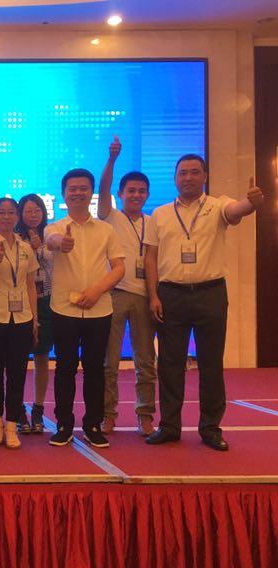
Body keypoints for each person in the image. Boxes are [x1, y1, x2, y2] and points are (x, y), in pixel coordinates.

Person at [144, 155, 266, 451]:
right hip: (170, 294)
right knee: (170, 364)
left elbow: (238, 210)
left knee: (211, 363)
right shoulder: (160, 213)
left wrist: (251, 203)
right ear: (175, 178)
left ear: (205, 176)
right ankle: (169, 426)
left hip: (210, 293)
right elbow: (151, 258)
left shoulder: (217, 205)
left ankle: (210, 428)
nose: (188, 178)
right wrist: (154, 295)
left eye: (194, 172)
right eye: (183, 173)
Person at [44, 168, 125, 448]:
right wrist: (62, 243)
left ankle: (92, 424)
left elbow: (119, 267)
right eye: (72, 189)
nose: (78, 192)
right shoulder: (54, 227)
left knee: (95, 369)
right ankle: (64, 424)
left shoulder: (106, 230)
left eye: (83, 188)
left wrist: (97, 291)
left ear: (91, 193)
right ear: (63, 194)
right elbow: (52, 242)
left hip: (99, 309)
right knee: (64, 368)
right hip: (64, 310)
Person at [97, 136, 156, 436]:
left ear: (147, 194)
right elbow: (103, 186)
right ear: (120, 194)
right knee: (109, 362)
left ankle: (145, 415)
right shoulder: (110, 216)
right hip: (115, 295)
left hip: (144, 296)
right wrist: (112, 159)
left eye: (141, 191)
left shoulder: (153, 221)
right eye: (130, 190)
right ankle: (108, 415)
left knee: (145, 361)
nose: (136, 195)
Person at [0, 198, 38, 448]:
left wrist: (34, 320)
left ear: (17, 216)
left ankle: (12, 425)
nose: (6, 217)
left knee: (17, 373)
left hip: (22, 318)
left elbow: (30, 284)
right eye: (1, 213)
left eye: (11, 212)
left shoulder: (26, 248)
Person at [16, 194, 53, 434]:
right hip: (20, 302)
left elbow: (56, 265)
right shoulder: (15, 238)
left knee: (42, 355)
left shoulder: (52, 235)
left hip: (47, 300)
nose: (33, 215)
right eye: (28, 211)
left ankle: (38, 408)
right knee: (17, 358)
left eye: (37, 210)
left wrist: (41, 247)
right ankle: (18, 409)